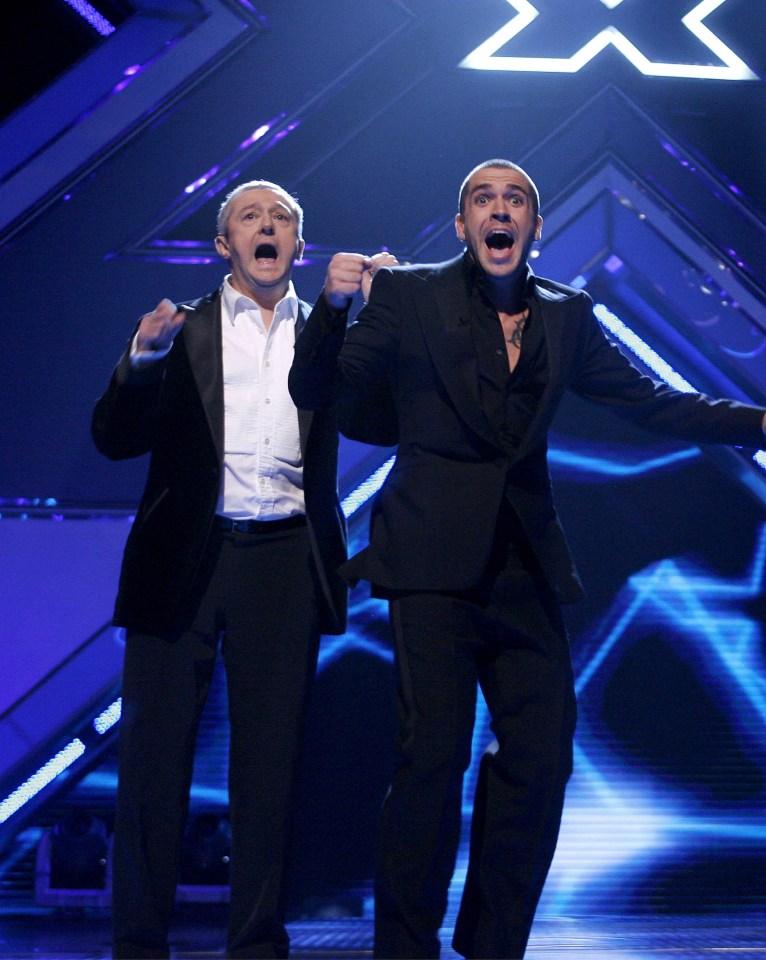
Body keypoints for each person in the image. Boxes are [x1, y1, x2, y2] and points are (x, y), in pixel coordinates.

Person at [288, 159, 766, 960]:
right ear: (463, 225)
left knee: (542, 759)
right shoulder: (408, 295)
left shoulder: (568, 315)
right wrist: (333, 311)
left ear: (535, 228)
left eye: (516, 200)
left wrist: (760, 420)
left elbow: (651, 403)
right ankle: (405, 948)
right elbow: (321, 389)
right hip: (430, 564)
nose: (499, 210)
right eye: (483, 198)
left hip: (524, 570)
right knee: (430, 763)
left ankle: (493, 943)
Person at [92, 178, 391, 959]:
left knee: (270, 765)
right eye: (250, 218)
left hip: (284, 560)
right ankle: (138, 942)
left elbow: (363, 401)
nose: (268, 226)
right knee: (154, 766)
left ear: (298, 244)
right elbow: (114, 438)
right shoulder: (183, 330)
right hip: (184, 558)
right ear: (224, 245)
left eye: (282, 218)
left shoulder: (327, 336)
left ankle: (257, 941)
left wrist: (377, 309)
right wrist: (141, 359)